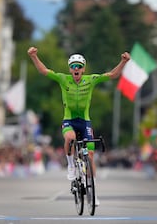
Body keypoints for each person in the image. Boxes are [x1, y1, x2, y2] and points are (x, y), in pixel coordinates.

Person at [27, 46, 130, 206]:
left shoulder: (91, 79)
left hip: (85, 121)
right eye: (73, 66)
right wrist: (34, 56)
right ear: (70, 69)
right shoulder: (63, 79)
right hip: (69, 120)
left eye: (79, 66)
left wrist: (123, 62)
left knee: (90, 156)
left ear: (83, 69)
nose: (76, 69)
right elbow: (44, 71)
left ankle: (93, 193)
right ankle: (70, 165)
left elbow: (112, 75)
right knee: (70, 137)